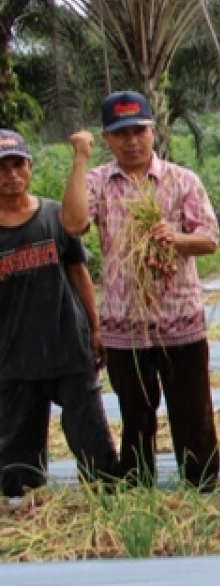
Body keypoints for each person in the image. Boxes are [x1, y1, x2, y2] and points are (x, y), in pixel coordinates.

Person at [62, 93, 220, 490]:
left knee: (192, 412)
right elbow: (73, 223)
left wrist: (175, 240)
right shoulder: (99, 181)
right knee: (135, 413)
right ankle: (139, 488)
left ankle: (201, 485)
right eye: (121, 135)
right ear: (107, 139)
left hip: (179, 318)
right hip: (124, 322)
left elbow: (208, 240)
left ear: (153, 131)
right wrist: (79, 160)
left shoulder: (182, 180)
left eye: (139, 131)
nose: (132, 141)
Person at [0, 130, 119, 501]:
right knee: (17, 448)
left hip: (67, 344)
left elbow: (78, 273)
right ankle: (24, 503)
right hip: (13, 354)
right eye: (1, 168)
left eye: (17, 164)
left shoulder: (55, 216)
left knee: (90, 432)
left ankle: (106, 496)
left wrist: (96, 327)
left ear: (30, 167)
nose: (11, 175)